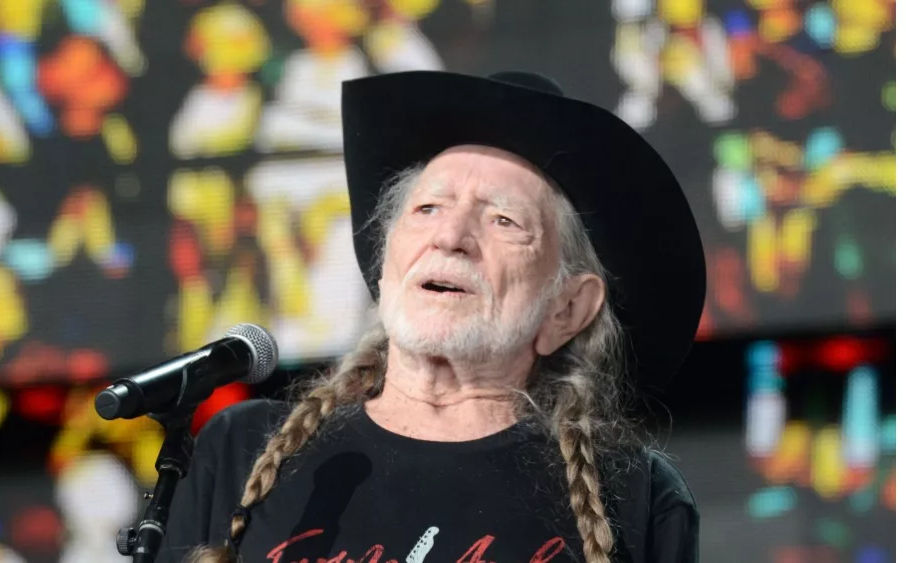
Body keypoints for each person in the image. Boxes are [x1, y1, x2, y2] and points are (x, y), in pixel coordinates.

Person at [156, 70, 707, 563]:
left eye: (504, 221)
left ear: (567, 309)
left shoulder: (636, 498)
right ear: (387, 257)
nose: (450, 237)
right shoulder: (239, 449)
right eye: (427, 209)